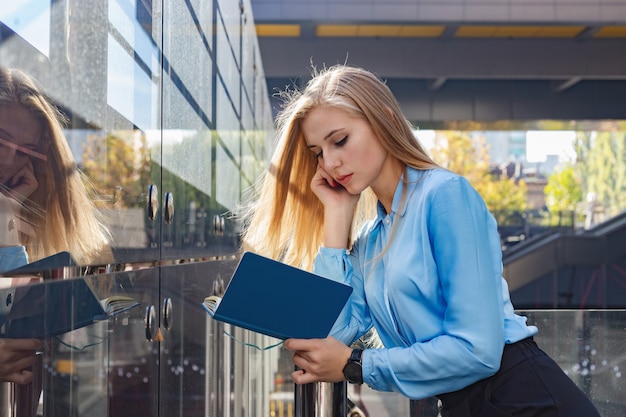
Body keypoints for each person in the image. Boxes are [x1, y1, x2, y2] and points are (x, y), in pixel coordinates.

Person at [239, 65, 601, 417]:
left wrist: (356, 365)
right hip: (462, 403)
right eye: (318, 153)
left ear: (385, 119)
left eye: (340, 141)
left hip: (523, 397)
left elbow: (478, 350)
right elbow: (329, 336)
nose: (330, 162)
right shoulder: (370, 239)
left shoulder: (444, 196)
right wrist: (336, 217)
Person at [0, 67, 112, 385]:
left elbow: (22, 336)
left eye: (25, 151)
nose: (9, 161)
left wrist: (7, 229)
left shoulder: (15, 222)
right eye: (0, 141)